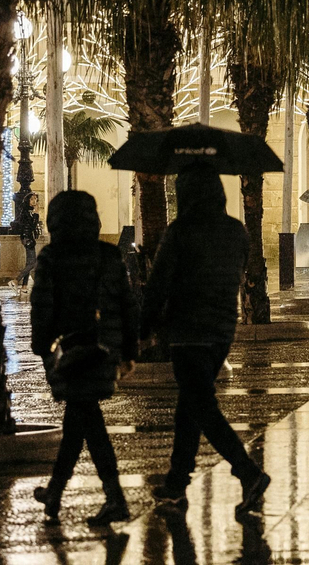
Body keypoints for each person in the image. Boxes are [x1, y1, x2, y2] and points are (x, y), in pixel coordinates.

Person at [142, 166, 271, 518]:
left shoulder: (180, 231)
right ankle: (176, 483)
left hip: (187, 331)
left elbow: (159, 284)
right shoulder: (236, 231)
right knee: (190, 405)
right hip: (221, 331)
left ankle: (248, 472)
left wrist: (143, 328)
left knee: (201, 407)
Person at [29, 190, 138, 526]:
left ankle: (114, 497)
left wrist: (41, 346)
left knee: (89, 424)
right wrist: (128, 351)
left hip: (70, 352)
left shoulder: (52, 257)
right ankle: (54, 493)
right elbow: (127, 304)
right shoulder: (108, 255)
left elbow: (42, 307)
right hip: (104, 351)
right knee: (80, 423)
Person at [17, 193, 42, 288]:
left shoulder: (29, 211)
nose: (34, 201)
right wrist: (36, 214)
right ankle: (16, 280)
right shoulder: (27, 212)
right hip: (28, 239)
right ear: (28, 201)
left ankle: (24, 286)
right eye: (32, 199)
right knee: (33, 263)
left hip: (28, 239)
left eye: (35, 199)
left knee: (29, 263)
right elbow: (32, 226)